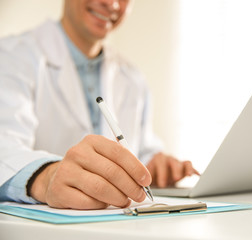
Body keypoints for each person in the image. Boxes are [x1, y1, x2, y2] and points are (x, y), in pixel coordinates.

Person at [0, 0, 198, 210]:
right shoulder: (11, 57)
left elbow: (140, 148)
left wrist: (155, 165)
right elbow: (4, 150)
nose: (111, 3)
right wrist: (46, 177)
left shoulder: (131, 77)